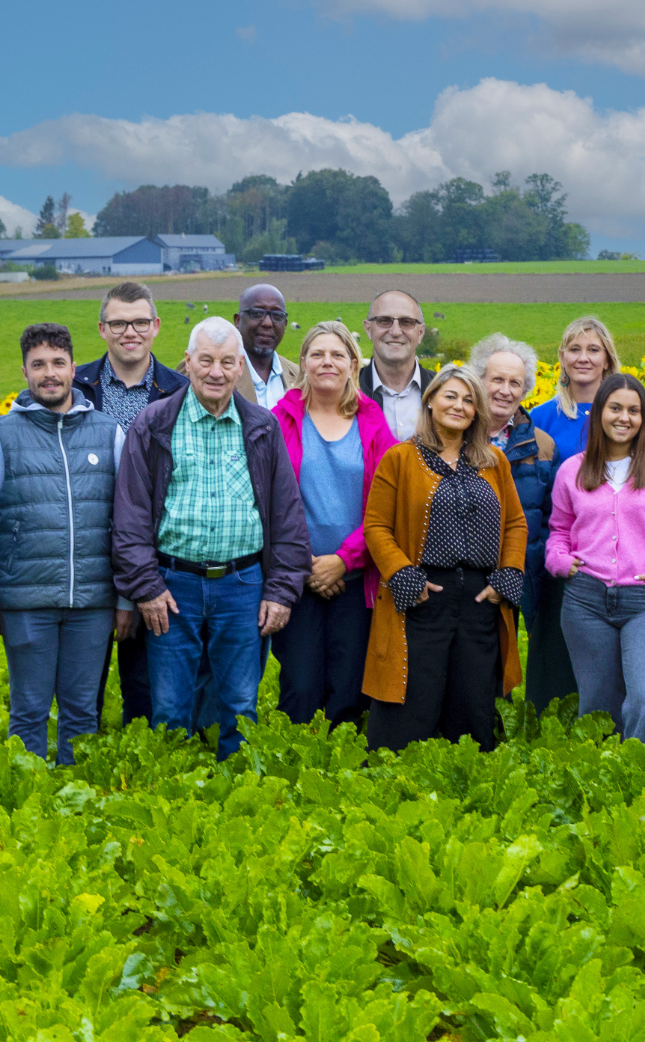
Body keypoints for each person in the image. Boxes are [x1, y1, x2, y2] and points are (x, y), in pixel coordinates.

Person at [112, 318, 310, 759]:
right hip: (171, 586)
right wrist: (146, 588)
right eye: (205, 361)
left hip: (243, 585)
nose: (215, 372)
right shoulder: (154, 424)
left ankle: (238, 796)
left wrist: (279, 590)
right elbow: (130, 517)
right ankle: (171, 793)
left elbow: (287, 515)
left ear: (240, 366)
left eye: (225, 362)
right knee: (169, 705)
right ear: (187, 362)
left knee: (240, 705)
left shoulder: (261, 426)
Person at [0, 323, 133, 764]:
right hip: (26, 599)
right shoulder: (1, 434)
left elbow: (125, 523)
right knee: (28, 710)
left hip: (93, 600)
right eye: (38, 365)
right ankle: (28, 791)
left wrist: (125, 597)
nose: (49, 373)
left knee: (82, 711)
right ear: (25, 372)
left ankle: (76, 795)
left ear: (73, 368)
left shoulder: (109, 433)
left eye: (58, 363)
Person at [362, 367, 530, 752]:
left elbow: (516, 524)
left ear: (477, 412)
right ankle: (397, 784)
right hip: (420, 596)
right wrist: (405, 577)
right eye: (451, 396)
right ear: (431, 401)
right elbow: (376, 527)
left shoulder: (494, 463)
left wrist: (505, 578)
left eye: (469, 400)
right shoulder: (400, 459)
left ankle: (466, 785)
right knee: (411, 701)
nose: (459, 405)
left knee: (472, 705)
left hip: (479, 598)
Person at [544, 375, 645, 744]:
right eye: (615, 408)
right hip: (585, 600)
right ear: (599, 412)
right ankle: (603, 779)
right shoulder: (573, 470)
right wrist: (559, 560)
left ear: (644, 418)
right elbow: (559, 530)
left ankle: (642, 769)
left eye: (634, 410)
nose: (624, 418)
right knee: (598, 706)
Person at [269, 320, 399, 726]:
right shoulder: (279, 419)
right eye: (318, 354)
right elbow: (266, 500)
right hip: (297, 577)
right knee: (300, 684)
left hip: (357, 577)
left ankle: (346, 775)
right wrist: (304, 563)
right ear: (303, 362)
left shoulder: (373, 421)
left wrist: (343, 560)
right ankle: (293, 773)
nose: (328, 362)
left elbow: (385, 503)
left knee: (348, 687)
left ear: (353, 364)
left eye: (337, 355)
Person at [74, 280, 187, 729]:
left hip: (154, 551)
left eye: (140, 322)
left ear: (156, 326)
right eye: (119, 323)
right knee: (86, 679)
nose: (130, 332)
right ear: (102, 328)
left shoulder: (180, 390)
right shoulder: (75, 385)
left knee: (146, 675)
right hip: (88, 548)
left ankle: (144, 758)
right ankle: (83, 755)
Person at [468, 333, 571, 705]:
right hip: (473, 571)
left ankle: (542, 726)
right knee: (484, 665)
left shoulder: (542, 444)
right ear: (478, 380)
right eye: (496, 379)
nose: (505, 390)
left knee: (545, 658)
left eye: (515, 382)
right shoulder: (454, 436)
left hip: (530, 566)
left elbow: (555, 512)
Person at [529, 315, 620, 462]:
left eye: (593, 350)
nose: (583, 358)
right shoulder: (540, 417)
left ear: (607, 360)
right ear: (562, 357)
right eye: (575, 349)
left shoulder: (629, 415)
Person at [358, 289, 432, 440]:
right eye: (384, 321)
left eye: (407, 322)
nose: (396, 331)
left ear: (420, 333)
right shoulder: (349, 391)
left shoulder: (443, 391)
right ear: (368, 329)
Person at [238, 282, 301, 408]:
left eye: (277, 316)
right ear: (238, 321)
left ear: (285, 325)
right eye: (257, 313)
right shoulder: (216, 373)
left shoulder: (300, 378)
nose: (267, 323)